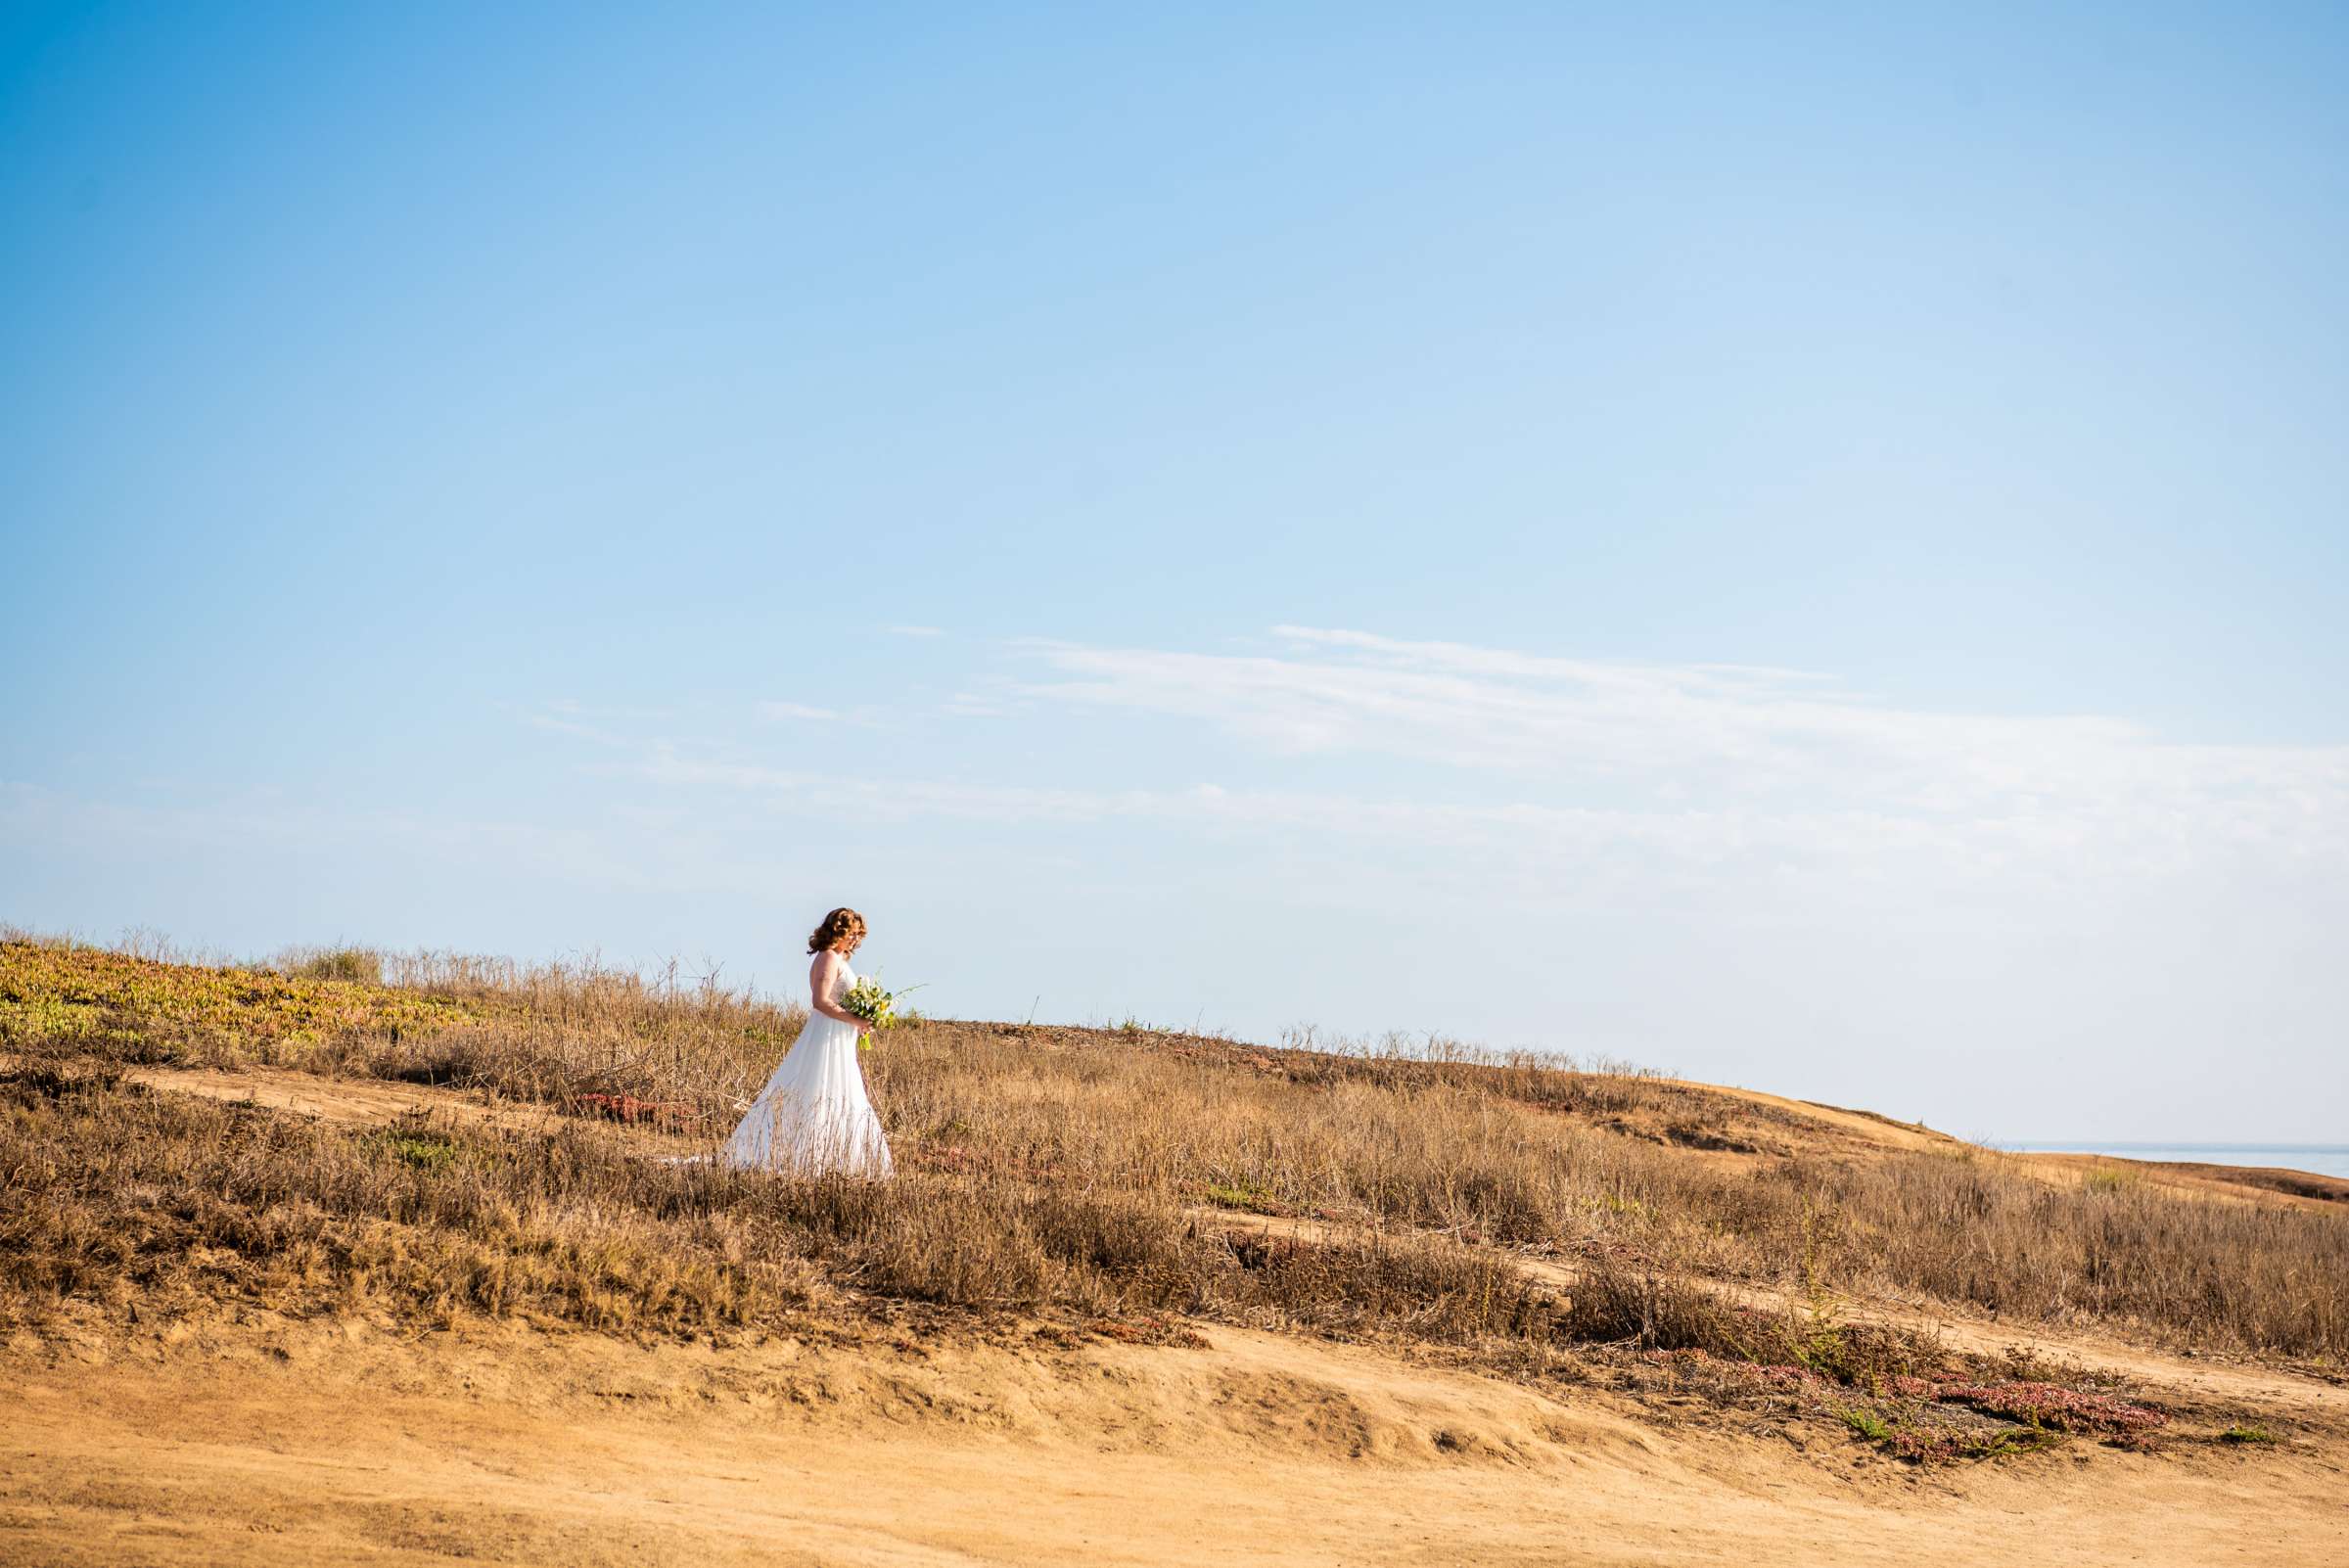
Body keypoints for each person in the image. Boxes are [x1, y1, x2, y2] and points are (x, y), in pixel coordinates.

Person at [720, 906, 893, 1176]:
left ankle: (836, 1156)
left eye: (859, 935)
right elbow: (820, 1001)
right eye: (853, 933)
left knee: (841, 1090)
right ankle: (808, 1155)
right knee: (821, 1088)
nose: (856, 940)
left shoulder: (839, 960)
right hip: (827, 1034)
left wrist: (859, 1021)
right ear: (839, 930)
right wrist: (855, 1019)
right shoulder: (828, 958)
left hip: (841, 1036)